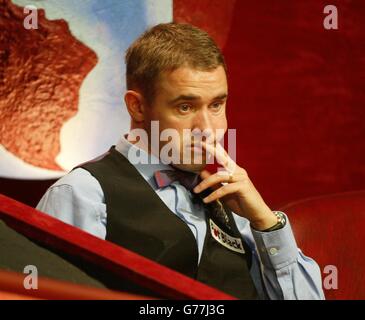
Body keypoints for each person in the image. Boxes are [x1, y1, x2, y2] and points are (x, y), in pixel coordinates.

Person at [37, 23, 325, 300]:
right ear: (137, 106)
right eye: (185, 107)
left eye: (216, 105)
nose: (208, 128)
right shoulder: (84, 194)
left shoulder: (236, 205)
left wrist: (266, 223)